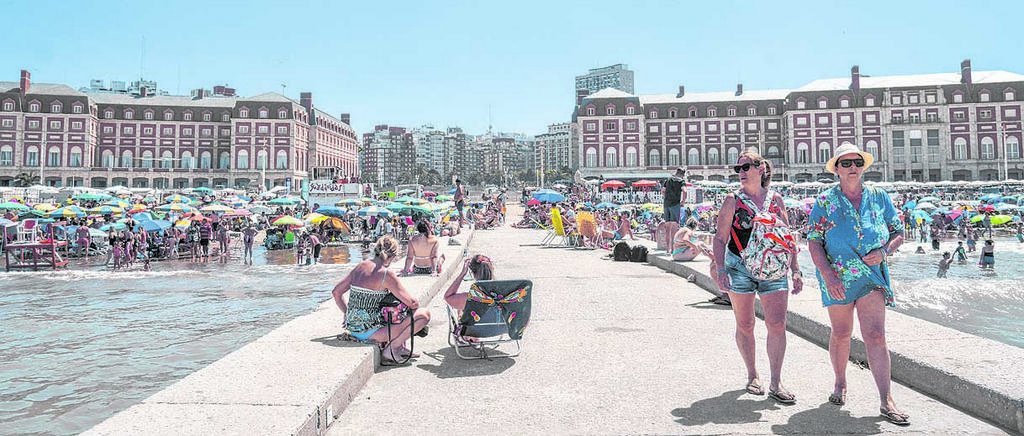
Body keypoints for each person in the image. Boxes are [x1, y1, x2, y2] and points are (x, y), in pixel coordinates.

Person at [805, 143, 909, 425]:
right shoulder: (825, 201)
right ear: (836, 169)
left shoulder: (879, 196)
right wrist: (827, 274)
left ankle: (886, 399)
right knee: (841, 332)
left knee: (875, 334)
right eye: (846, 163)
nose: (852, 167)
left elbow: (898, 231)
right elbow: (813, 240)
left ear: (863, 167)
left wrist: (885, 251)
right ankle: (840, 382)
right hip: (836, 276)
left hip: (870, 275)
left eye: (857, 162)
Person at [712, 150, 803, 405]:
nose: (741, 172)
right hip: (739, 267)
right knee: (746, 324)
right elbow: (719, 239)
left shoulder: (776, 200)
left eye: (746, 167)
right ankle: (752, 375)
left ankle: (776, 382)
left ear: (761, 168)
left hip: (774, 268)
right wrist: (720, 271)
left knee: (777, 324)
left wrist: (795, 269)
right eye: (738, 168)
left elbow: (787, 238)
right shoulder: (733, 200)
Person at [331, 237, 431, 362]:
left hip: (352, 328)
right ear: (393, 256)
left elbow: (336, 292)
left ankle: (400, 347)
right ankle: (392, 349)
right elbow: (413, 303)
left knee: (395, 310)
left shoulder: (360, 266)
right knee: (423, 315)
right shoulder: (385, 274)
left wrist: (347, 312)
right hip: (371, 332)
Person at [443, 254, 503, 343]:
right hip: (500, 329)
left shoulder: (470, 298)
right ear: (491, 269)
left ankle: (468, 335)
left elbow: (447, 297)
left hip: (474, 331)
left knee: (462, 309)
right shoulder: (505, 294)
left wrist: (462, 274)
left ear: (473, 273)